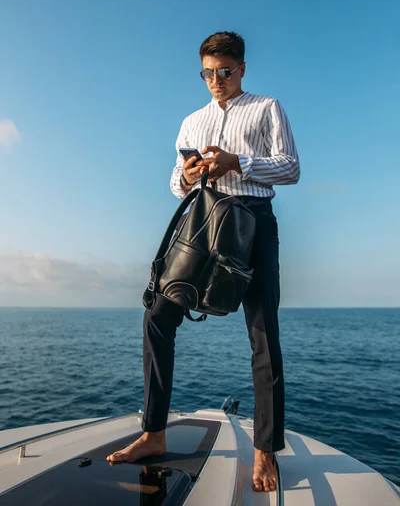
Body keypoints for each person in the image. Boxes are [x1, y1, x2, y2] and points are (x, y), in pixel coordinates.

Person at [107, 31, 300, 493]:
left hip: (252, 223)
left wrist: (240, 163)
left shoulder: (267, 107)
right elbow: (176, 183)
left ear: (242, 69)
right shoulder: (191, 121)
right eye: (208, 72)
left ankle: (265, 450)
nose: (216, 80)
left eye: (225, 72)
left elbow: (290, 167)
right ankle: (153, 433)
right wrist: (188, 174)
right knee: (157, 315)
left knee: (262, 334)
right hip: (202, 222)